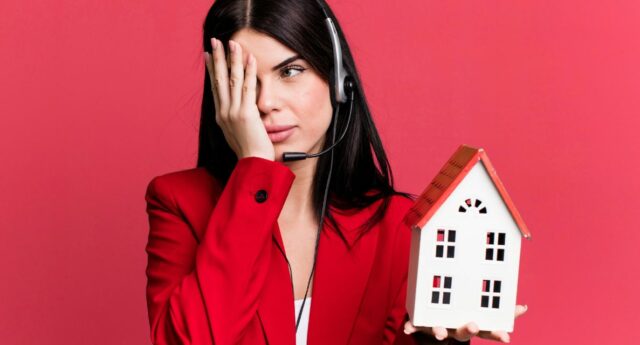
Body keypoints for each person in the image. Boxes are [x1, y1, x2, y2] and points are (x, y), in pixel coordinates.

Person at [143, 0, 527, 344]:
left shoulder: (393, 227)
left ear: (339, 80)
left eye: (290, 71)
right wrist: (255, 169)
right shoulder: (179, 204)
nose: (265, 102)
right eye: (243, 81)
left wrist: (438, 342)